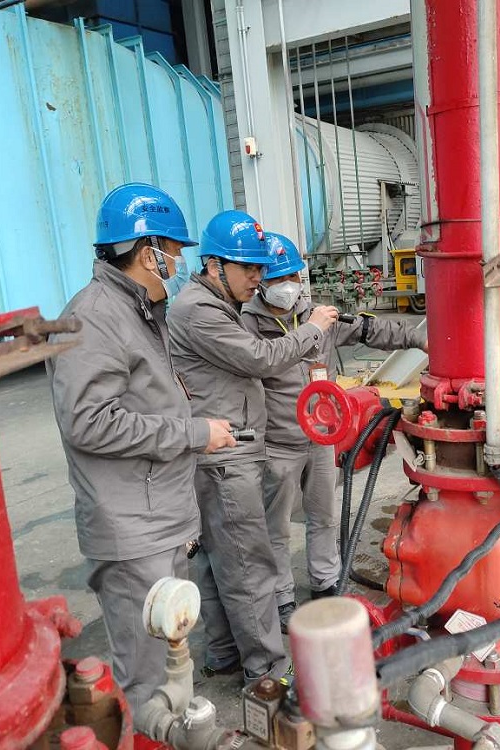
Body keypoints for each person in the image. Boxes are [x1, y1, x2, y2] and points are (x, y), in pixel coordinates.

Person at [46, 183, 236, 715]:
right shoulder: (95, 316)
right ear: (148, 250)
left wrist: (189, 421)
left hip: (157, 518)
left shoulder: (138, 310)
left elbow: (143, 400)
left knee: (171, 662)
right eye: (173, 249)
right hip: (132, 531)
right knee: (149, 679)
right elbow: (89, 421)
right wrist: (193, 433)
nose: (178, 261)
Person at [167, 210, 340, 682]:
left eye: (262, 269)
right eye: (249, 268)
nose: (258, 278)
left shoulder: (214, 304)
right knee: (249, 565)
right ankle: (266, 673)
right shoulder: (199, 310)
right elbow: (260, 359)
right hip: (227, 454)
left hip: (226, 447)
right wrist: (312, 330)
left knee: (219, 559)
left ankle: (223, 652)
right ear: (214, 265)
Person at [242, 233, 427, 629]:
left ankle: (325, 582)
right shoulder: (248, 326)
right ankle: (282, 597)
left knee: (323, 515)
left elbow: (370, 331)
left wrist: (419, 338)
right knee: (275, 527)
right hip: (277, 442)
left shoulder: (321, 318)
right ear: (260, 282)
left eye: (292, 276)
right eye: (276, 279)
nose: (286, 286)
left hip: (321, 439)